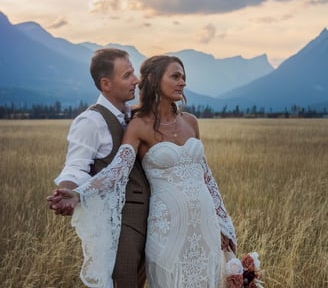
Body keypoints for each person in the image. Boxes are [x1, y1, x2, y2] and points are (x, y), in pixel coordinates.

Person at [48, 55, 237, 288]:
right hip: (166, 227)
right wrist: (78, 193)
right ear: (155, 80)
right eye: (175, 76)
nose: (183, 82)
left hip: (204, 224)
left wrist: (223, 223)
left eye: (184, 77)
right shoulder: (137, 125)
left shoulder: (191, 122)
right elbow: (116, 170)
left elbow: (206, 177)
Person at [50, 48, 150, 288]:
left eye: (133, 72)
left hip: (149, 223)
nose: (136, 80)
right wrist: (67, 192)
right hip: (120, 229)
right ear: (106, 84)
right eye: (127, 75)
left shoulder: (134, 116)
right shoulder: (91, 121)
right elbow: (76, 166)